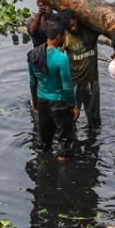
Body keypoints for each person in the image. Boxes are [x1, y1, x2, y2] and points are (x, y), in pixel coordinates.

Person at [27, 18, 77, 159]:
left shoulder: (33, 55)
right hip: (59, 102)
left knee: (45, 138)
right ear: (59, 36)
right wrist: (73, 105)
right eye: (64, 35)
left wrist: (34, 102)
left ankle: (44, 161)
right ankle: (62, 162)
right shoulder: (61, 58)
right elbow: (67, 86)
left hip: (42, 100)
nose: (65, 38)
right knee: (64, 137)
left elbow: (32, 81)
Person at [62, 13, 102, 129]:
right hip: (74, 82)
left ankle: (93, 136)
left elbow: (104, 24)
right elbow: (56, 56)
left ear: (77, 20)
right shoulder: (65, 36)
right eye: (69, 26)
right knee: (71, 117)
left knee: (94, 119)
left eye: (73, 23)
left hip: (91, 81)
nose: (72, 27)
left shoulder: (91, 31)